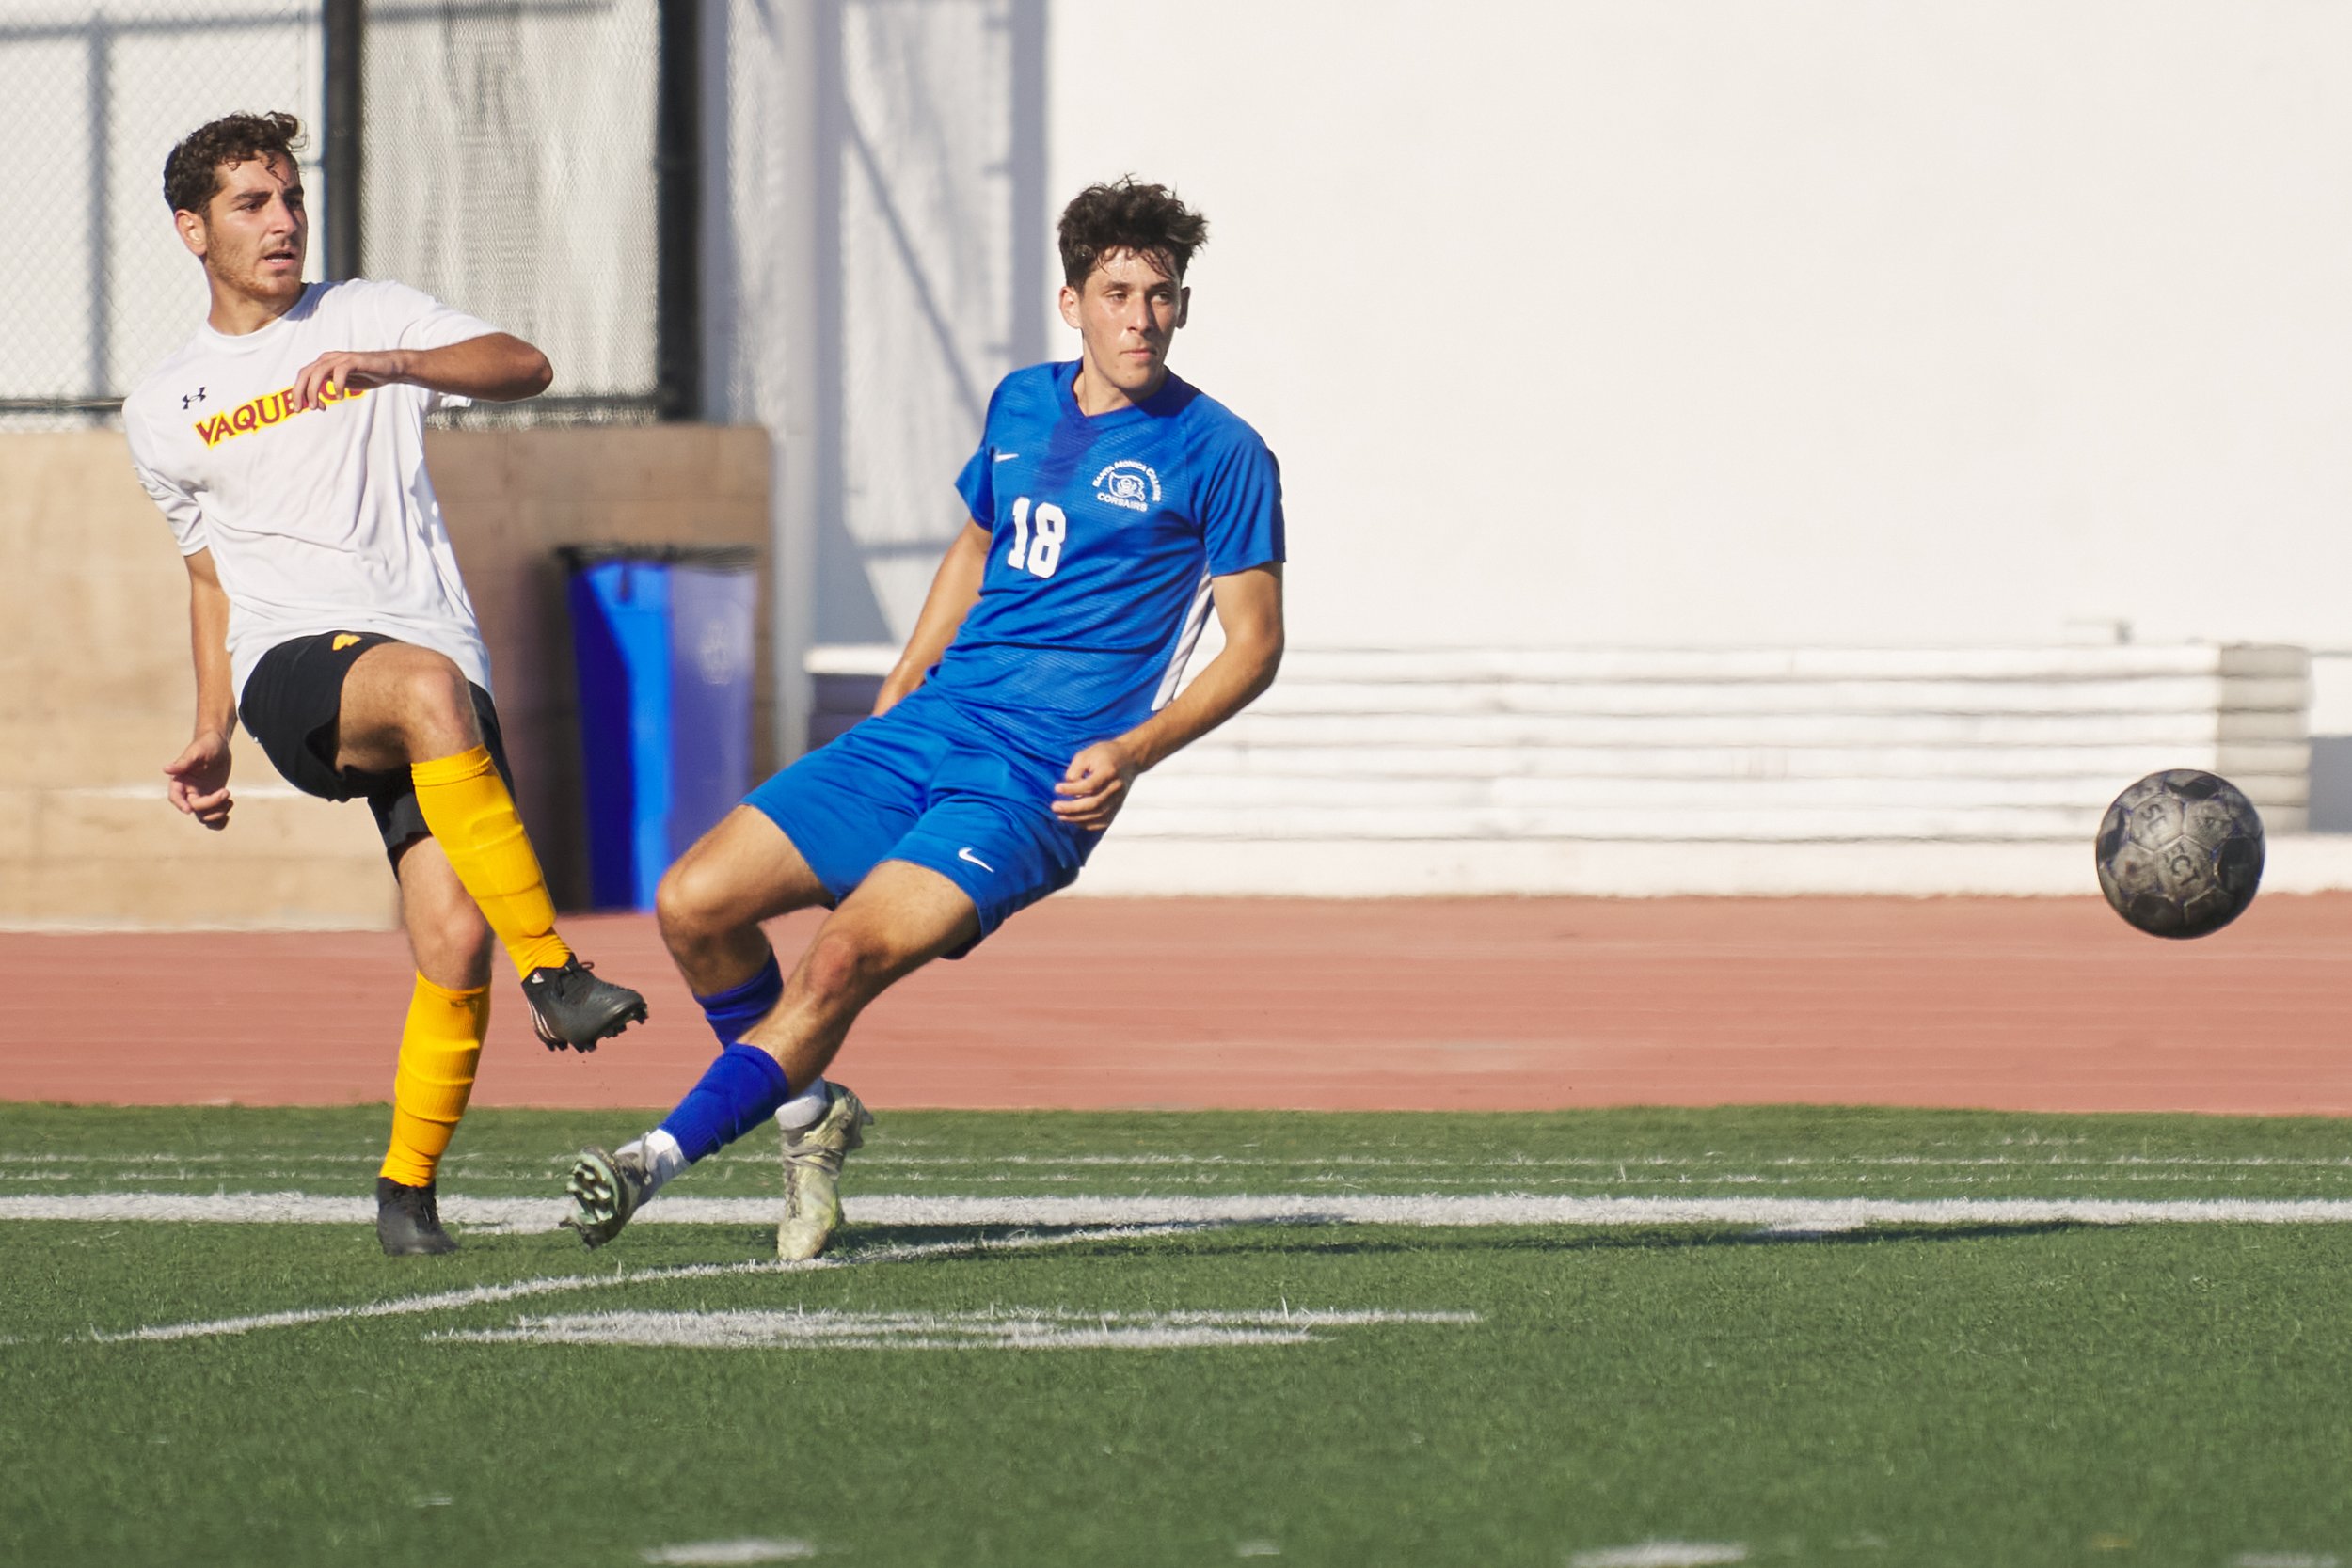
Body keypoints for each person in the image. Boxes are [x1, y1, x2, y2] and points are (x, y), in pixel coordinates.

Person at [562, 177, 1286, 1259]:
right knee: (692, 902)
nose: (1143, 317)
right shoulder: (1021, 404)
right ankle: (809, 1116)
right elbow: (977, 538)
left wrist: (1132, 749)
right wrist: (908, 666)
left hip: (1034, 779)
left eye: (1164, 295)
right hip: (929, 727)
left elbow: (1256, 643)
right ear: (1070, 301)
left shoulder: (1221, 450)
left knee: (843, 956)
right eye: (1119, 291)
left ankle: (649, 1159)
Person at [122, 112, 649, 1258]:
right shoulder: (163, 405)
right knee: (418, 689)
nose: (281, 221)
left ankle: (405, 1191)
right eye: (251, 203)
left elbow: (528, 366)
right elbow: (209, 582)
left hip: (436, 671)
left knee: (453, 941)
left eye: (290, 197)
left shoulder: (366, 312)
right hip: (297, 666)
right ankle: (556, 968)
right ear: (191, 230)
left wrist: (394, 362)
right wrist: (211, 727)